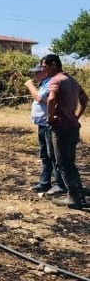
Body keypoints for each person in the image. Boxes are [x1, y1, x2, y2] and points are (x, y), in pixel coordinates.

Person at [43, 54, 88, 209]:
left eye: (45, 66)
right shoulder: (72, 81)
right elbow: (84, 99)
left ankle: (74, 198)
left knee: (62, 163)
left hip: (61, 127)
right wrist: (75, 116)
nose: (43, 69)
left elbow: (51, 99)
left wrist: (50, 118)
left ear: (54, 65)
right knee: (70, 163)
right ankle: (78, 195)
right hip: (72, 127)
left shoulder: (56, 80)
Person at [24, 62, 66, 196]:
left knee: (53, 155)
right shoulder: (44, 83)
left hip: (49, 125)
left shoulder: (50, 83)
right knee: (45, 155)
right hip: (42, 124)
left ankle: (59, 184)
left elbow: (40, 98)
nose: (35, 75)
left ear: (44, 71)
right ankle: (44, 182)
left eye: (38, 72)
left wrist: (29, 85)